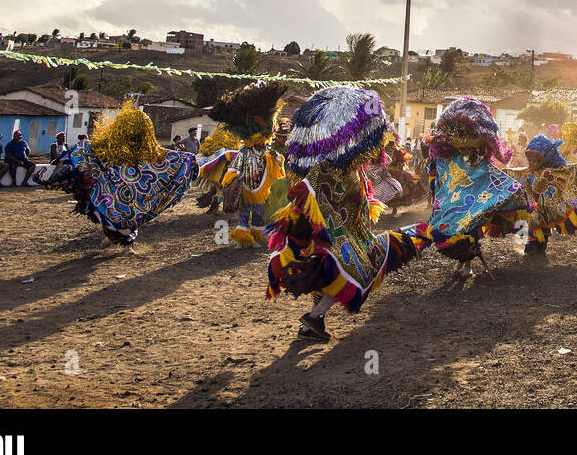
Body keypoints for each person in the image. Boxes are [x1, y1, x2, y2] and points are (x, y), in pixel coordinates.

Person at [266, 86, 424, 341]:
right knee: (359, 270)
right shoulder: (331, 168)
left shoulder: (350, 168)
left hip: (344, 234)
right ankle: (314, 316)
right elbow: (305, 191)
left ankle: (311, 326)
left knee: (327, 277)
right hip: (339, 237)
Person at [37, 100, 196, 247]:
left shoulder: (143, 156)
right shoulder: (112, 153)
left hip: (129, 194)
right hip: (120, 195)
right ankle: (116, 237)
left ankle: (122, 239)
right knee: (119, 211)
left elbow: (164, 156)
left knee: (127, 212)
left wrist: (188, 159)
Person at [417, 97, 533, 275]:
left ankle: (467, 263)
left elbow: (487, 175)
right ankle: (464, 262)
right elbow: (440, 177)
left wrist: (509, 188)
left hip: (475, 203)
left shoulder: (477, 160)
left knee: (471, 228)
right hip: (453, 201)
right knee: (457, 229)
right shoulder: (446, 161)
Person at [196, 83, 287, 248]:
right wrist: (230, 180)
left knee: (259, 214)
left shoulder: (268, 153)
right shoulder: (244, 153)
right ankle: (242, 238)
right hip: (245, 188)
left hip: (261, 190)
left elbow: (280, 168)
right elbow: (234, 168)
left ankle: (257, 235)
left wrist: (277, 158)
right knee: (244, 215)